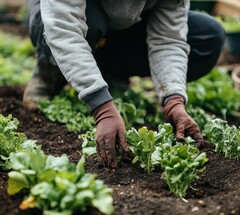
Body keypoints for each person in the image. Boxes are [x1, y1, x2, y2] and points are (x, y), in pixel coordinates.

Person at [24, 0, 225, 169]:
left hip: (124, 27)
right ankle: (50, 67)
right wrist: (101, 107)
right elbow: (63, 25)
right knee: (88, 22)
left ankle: (107, 70)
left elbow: (168, 39)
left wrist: (174, 98)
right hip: (65, 15)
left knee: (207, 35)